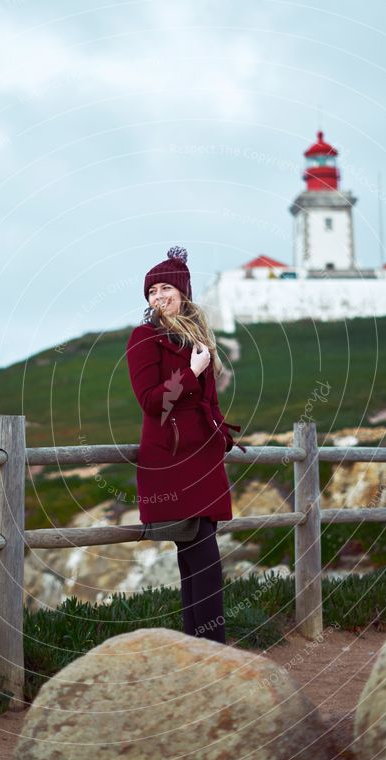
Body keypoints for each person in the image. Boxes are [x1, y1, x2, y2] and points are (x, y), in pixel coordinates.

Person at [126, 246, 246, 645]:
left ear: (183, 293)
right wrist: (191, 373)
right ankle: (213, 647)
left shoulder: (199, 339)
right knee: (204, 559)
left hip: (203, 459)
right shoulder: (144, 338)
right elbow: (151, 401)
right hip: (172, 460)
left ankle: (199, 645)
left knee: (196, 560)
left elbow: (210, 401)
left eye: (165, 289)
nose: (157, 297)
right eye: (151, 291)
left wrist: (220, 433)